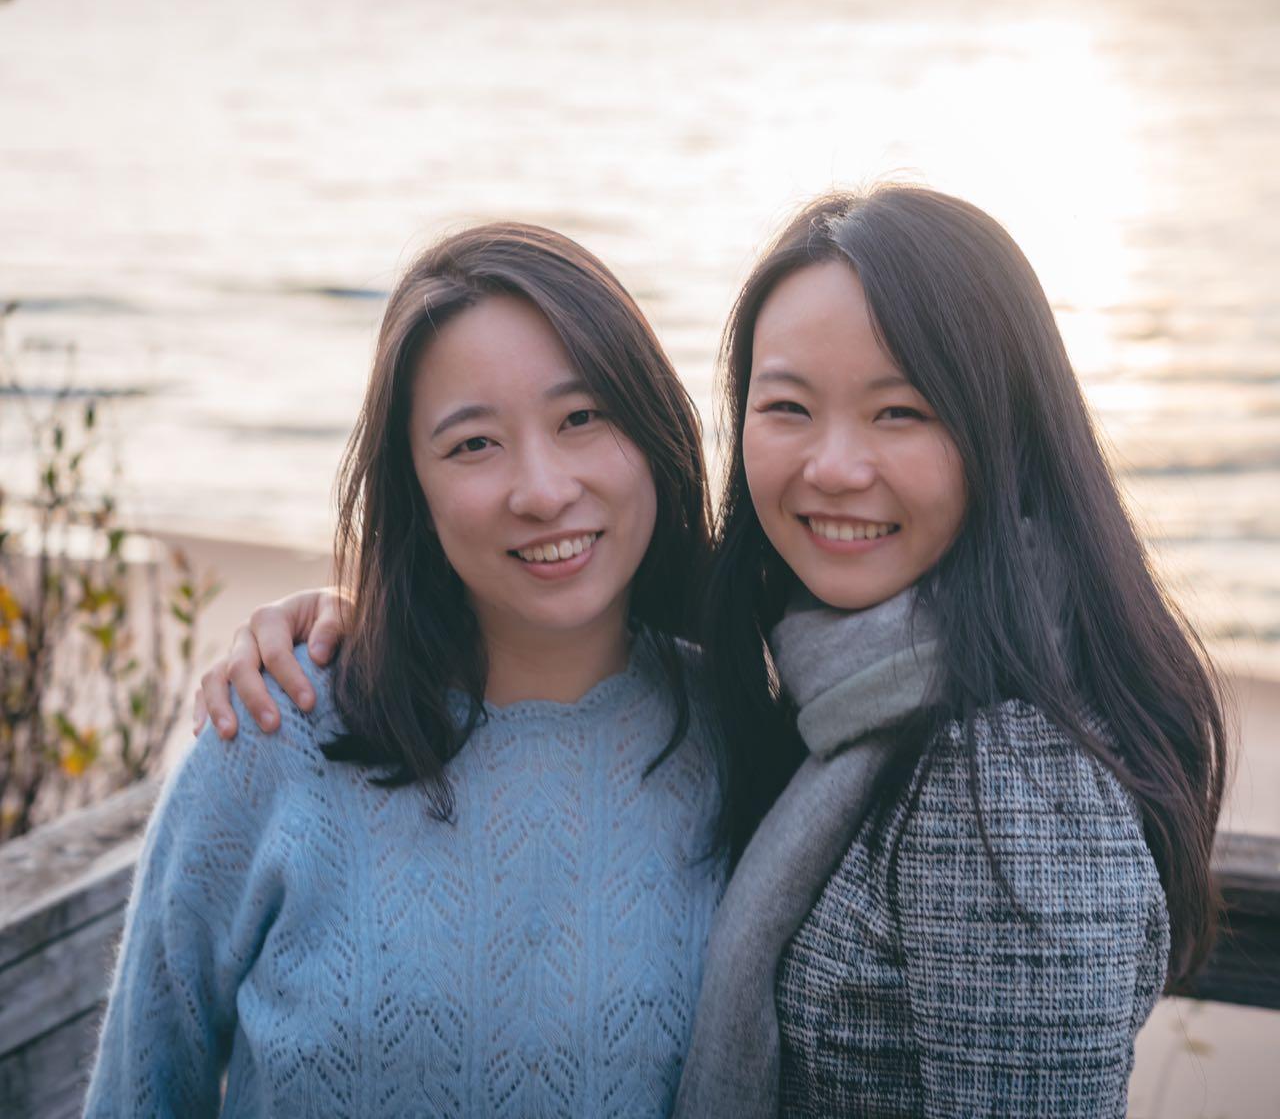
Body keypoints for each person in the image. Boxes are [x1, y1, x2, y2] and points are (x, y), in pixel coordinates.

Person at [198, 187, 1226, 1118]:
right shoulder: (816, 701)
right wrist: (360, 611)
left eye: (899, 410)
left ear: (1003, 434)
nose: (832, 465)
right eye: (785, 406)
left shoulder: (1009, 780)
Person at [86, 223, 726, 1118]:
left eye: (582, 418)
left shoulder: (741, 738)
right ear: (413, 490)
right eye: (473, 445)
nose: (541, 490)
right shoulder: (275, 734)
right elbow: (140, 1093)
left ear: (654, 428)